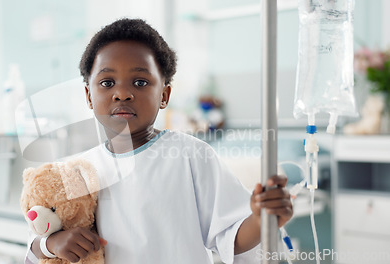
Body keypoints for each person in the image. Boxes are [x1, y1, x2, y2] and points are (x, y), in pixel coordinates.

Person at [25, 18, 292, 264]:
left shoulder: (190, 155)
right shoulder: (77, 171)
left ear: (164, 95)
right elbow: (36, 243)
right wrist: (51, 244)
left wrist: (261, 218)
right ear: (88, 95)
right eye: (107, 83)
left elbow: (231, 236)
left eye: (140, 82)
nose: (122, 93)